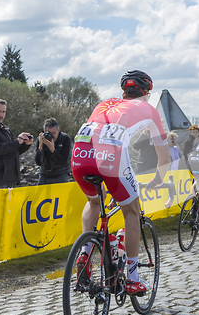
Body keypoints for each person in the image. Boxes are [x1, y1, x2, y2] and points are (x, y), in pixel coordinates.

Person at [71, 70, 170, 296]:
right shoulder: (150, 110)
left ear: (124, 91)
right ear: (146, 92)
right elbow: (164, 158)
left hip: (79, 155)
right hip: (111, 157)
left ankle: (85, 252)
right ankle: (132, 278)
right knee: (132, 212)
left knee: (94, 202)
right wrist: (157, 180)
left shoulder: (103, 104)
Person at [35, 118, 71, 185]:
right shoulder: (41, 139)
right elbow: (38, 162)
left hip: (61, 173)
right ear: (44, 131)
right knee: (40, 195)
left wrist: (53, 150)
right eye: (49, 133)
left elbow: (64, 162)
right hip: (45, 173)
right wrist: (41, 146)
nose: (52, 136)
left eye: (54, 133)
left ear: (58, 130)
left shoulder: (65, 139)